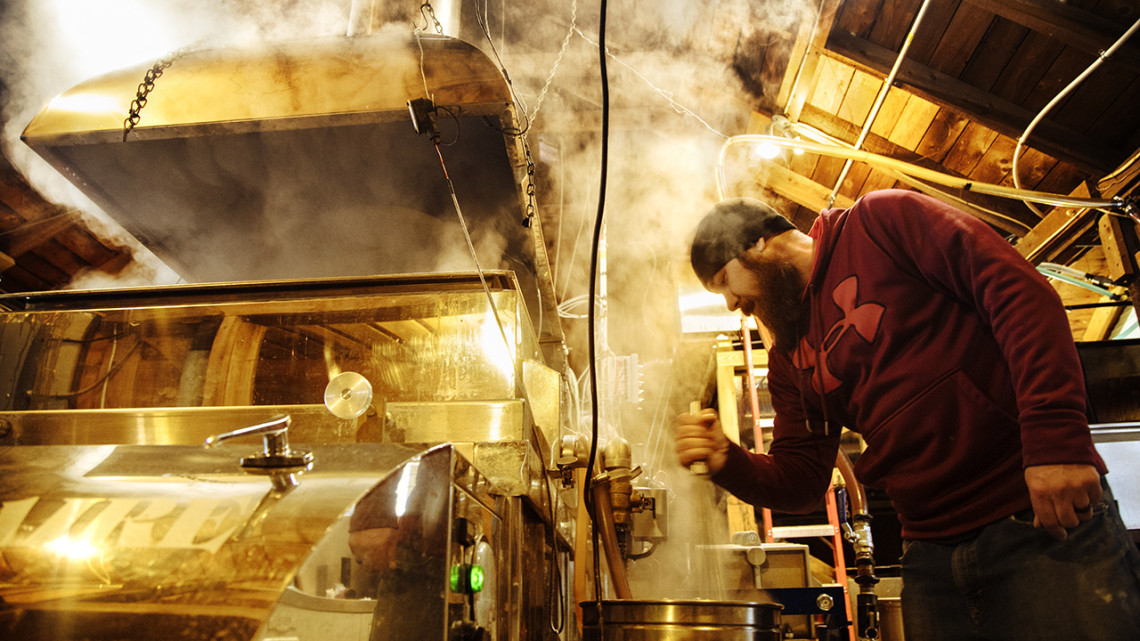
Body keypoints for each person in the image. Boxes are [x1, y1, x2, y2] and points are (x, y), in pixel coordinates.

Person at [675, 189, 1140, 640]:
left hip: (1034, 515)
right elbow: (800, 480)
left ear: (756, 240)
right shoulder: (789, 357)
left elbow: (1018, 294)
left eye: (722, 282)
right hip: (930, 556)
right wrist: (727, 461)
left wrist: (1056, 442)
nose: (731, 304)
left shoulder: (879, 223)